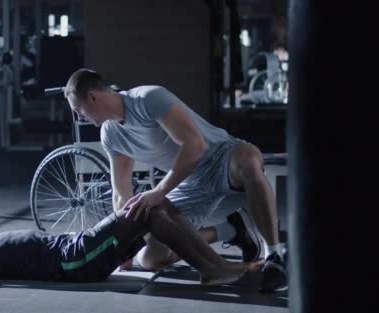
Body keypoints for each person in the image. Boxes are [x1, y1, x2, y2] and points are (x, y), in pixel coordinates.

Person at [63, 68, 287, 293]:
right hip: (189, 182)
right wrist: (123, 251)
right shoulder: (110, 134)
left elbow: (195, 145)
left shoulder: (148, 98)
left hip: (222, 156)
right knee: (151, 258)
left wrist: (159, 191)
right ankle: (232, 230)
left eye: (77, 109)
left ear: (93, 96)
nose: (78, 117)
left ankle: (273, 257)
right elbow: (121, 193)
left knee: (249, 160)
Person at [0, 200, 260, 285]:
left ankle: (220, 254)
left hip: (77, 247)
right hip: (75, 259)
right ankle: (213, 267)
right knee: (147, 209)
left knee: (156, 207)